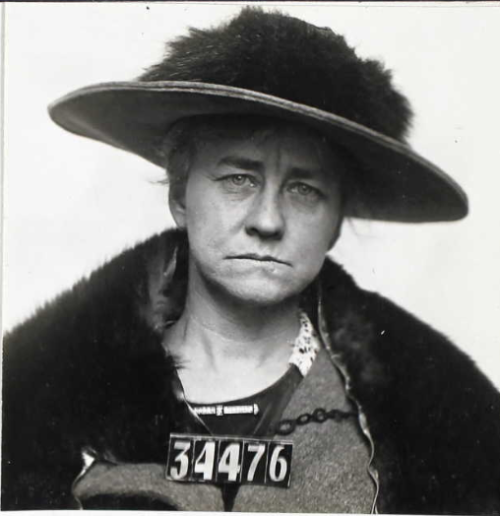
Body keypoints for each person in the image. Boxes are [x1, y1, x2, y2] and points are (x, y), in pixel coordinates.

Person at [2, 7, 500, 514]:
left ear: (336, 222)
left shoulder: (442, 420)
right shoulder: (27, 405)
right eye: (239, 179)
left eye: (305, 190)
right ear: (180, 195)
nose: (268, 220)